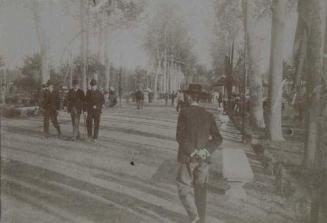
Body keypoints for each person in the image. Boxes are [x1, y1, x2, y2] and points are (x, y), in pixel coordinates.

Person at [176, 84, 223, 223]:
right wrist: (205, 151)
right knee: (201, 190)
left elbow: (179, 136)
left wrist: (192, 151)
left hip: (187, 158)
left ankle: (194, 216)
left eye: (186, 95)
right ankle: (201, 220)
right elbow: (218, 138)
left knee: (183, 188)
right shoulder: (208, 115)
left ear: (189, 97)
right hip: (204, 158)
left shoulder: (184, 113)